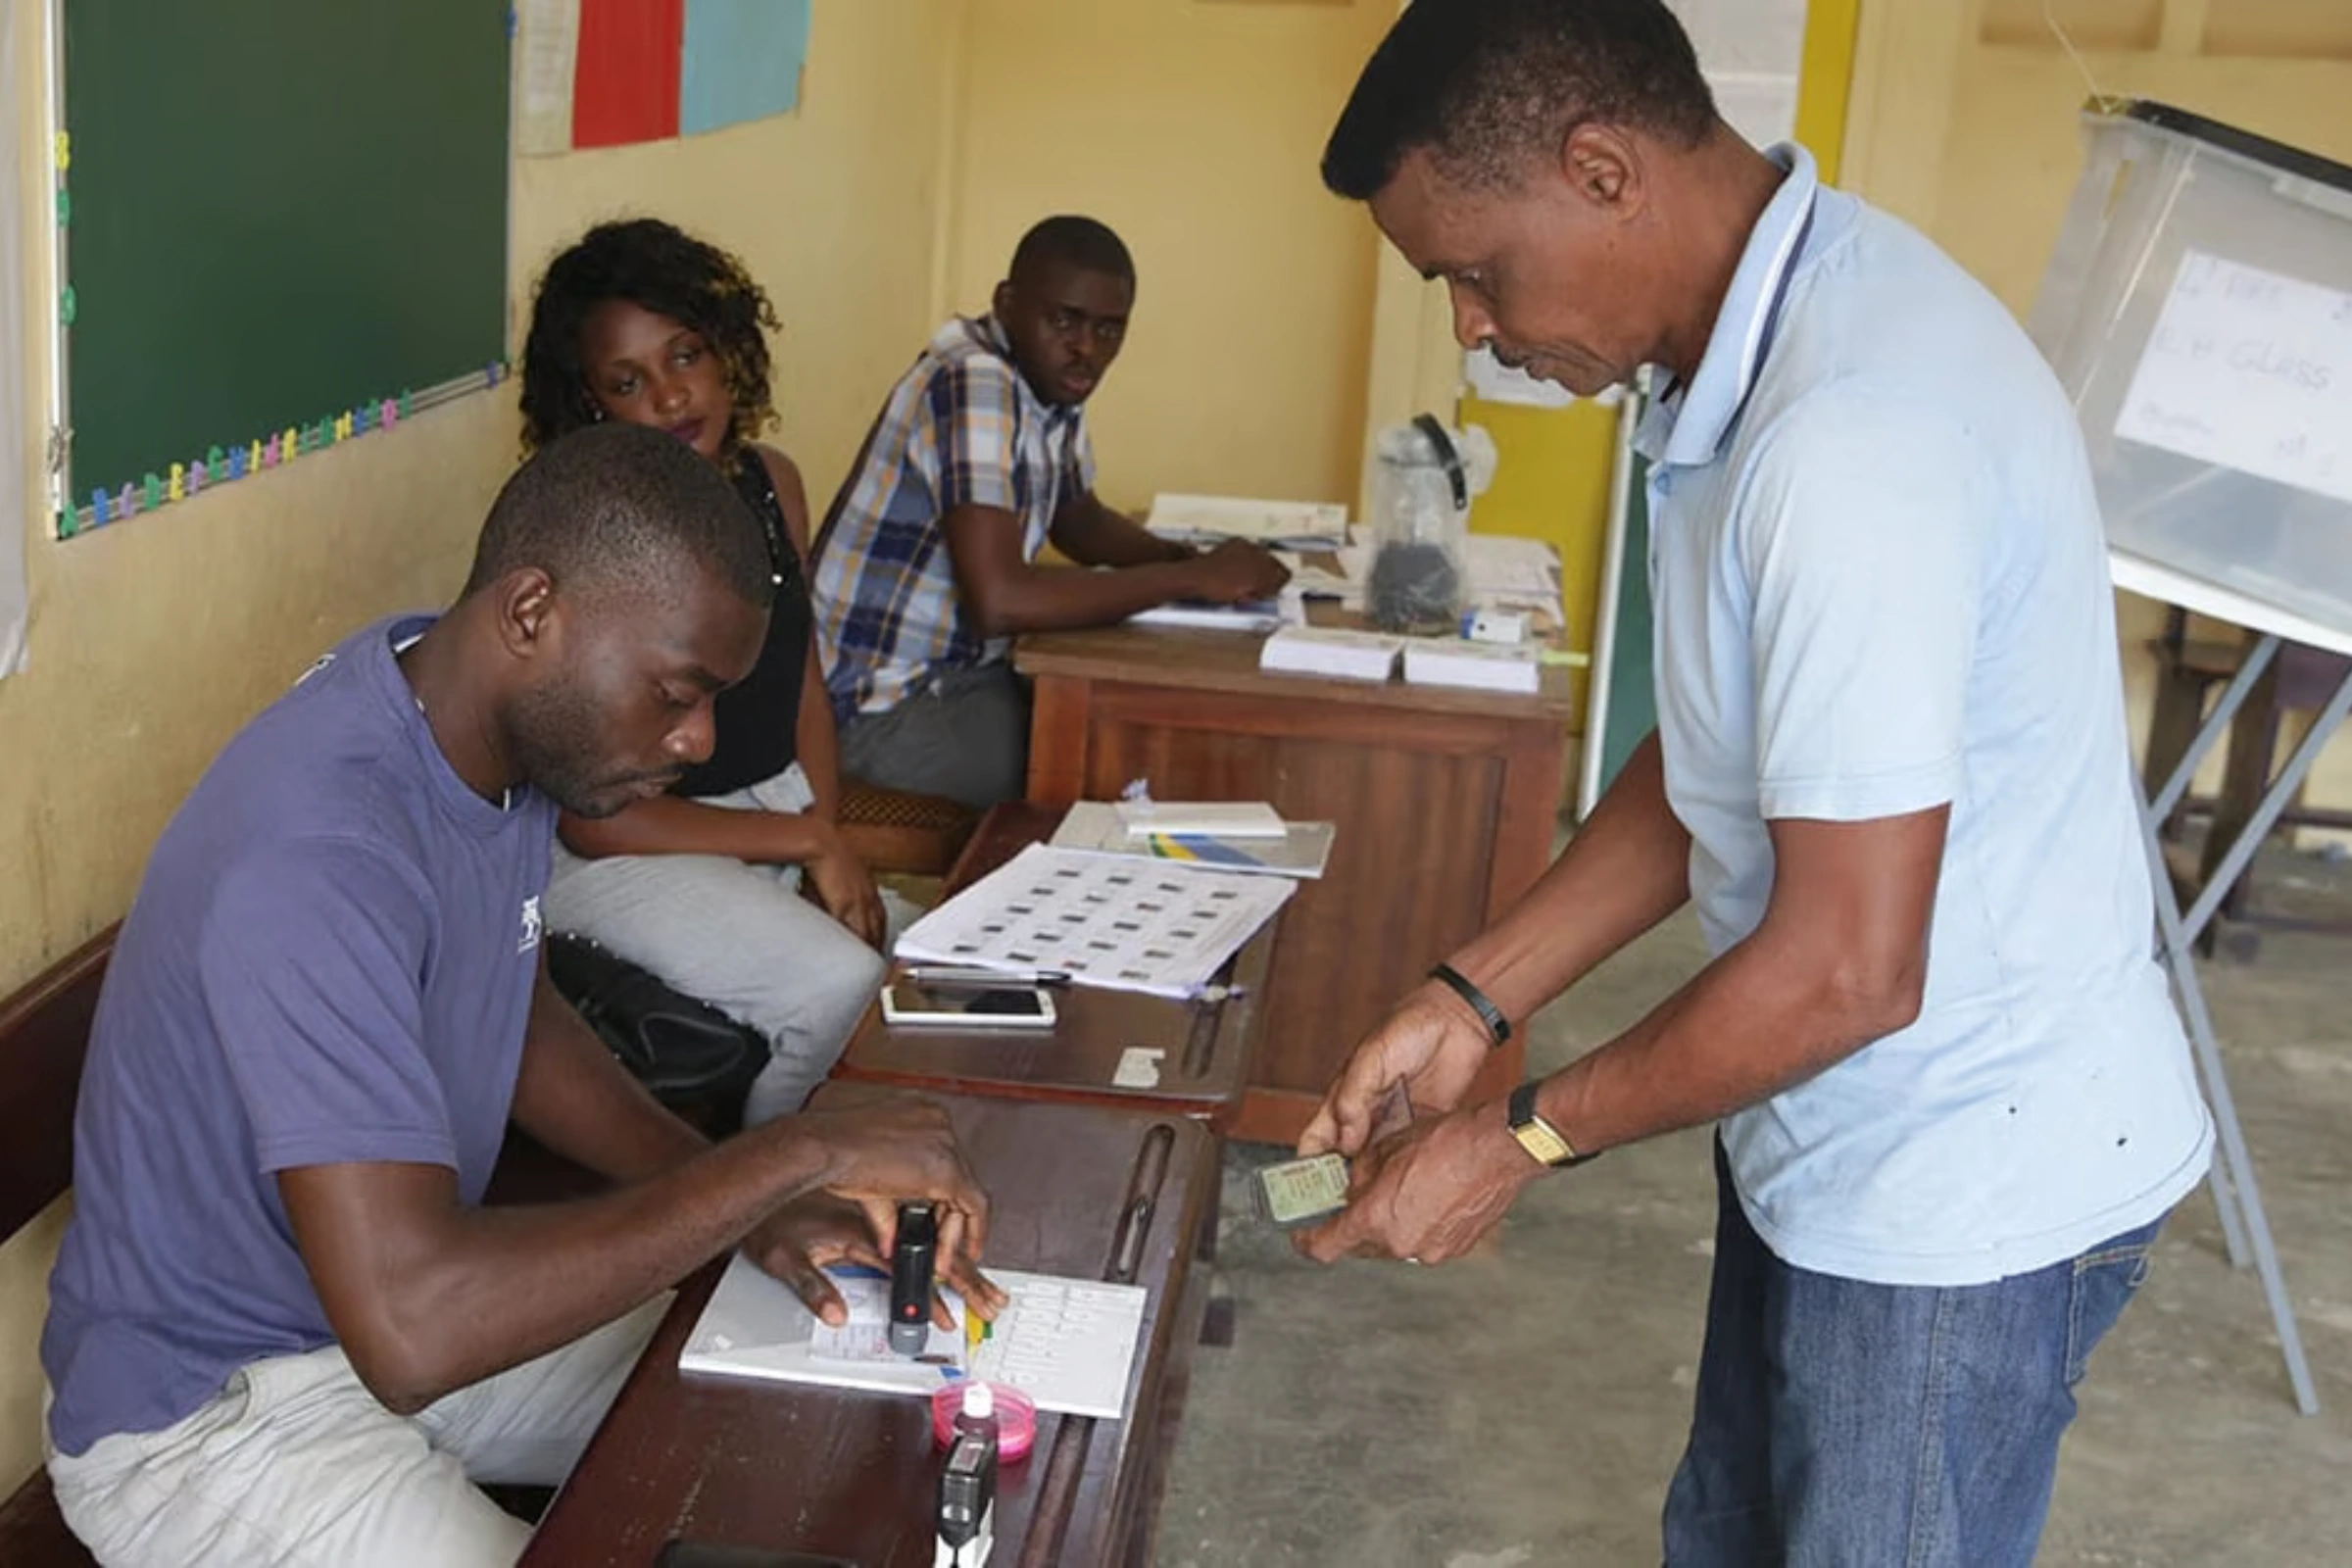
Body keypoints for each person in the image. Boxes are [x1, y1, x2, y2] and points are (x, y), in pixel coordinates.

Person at [1294, 5, 2213, 1565]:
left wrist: (1511, 1141)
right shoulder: (1736, 346)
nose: (1468, 326)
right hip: (1830, 1139)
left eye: (1473, 271)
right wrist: (1469, 997)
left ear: (1601, 171)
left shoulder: (1854, 434)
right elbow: (1720, 757)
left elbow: (1850, 971)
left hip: (1956, 1194)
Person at [41, 424, 1002, 1568]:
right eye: (676, 692)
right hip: (213, 1420)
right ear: (533, 613)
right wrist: (783, 1160)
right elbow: (412, 1328)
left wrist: (746, 1202)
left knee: (812, 1378)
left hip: (383, 1318)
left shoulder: (471, 726)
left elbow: (520, 1012)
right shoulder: (318, 850)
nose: (694, 740)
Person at [518, 219, 886, 1124]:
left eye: (686, 354)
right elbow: (593, 822)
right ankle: (746, 1220)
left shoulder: (773, 482)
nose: (671, 395)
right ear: (590, 404)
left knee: (915, 974)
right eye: (627, 381)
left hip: (769, 814)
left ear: (730, 351)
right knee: (839, 985)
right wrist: (808, 845)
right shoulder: (593, 535)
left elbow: (801, 684)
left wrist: (819, 832)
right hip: (622, 845)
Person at [809, 215, 1292, 808]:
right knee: (1099, 767)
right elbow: (1001, 599)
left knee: (1123, 731)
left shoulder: (1045, 380)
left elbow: (1076, 518)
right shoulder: (975, 378)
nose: (1087, 348)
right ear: (1007, 303)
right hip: (874, 706)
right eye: (1064, 320)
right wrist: (1188, 578)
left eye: (1110, 330)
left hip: (958, 677)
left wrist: (1192, 562)